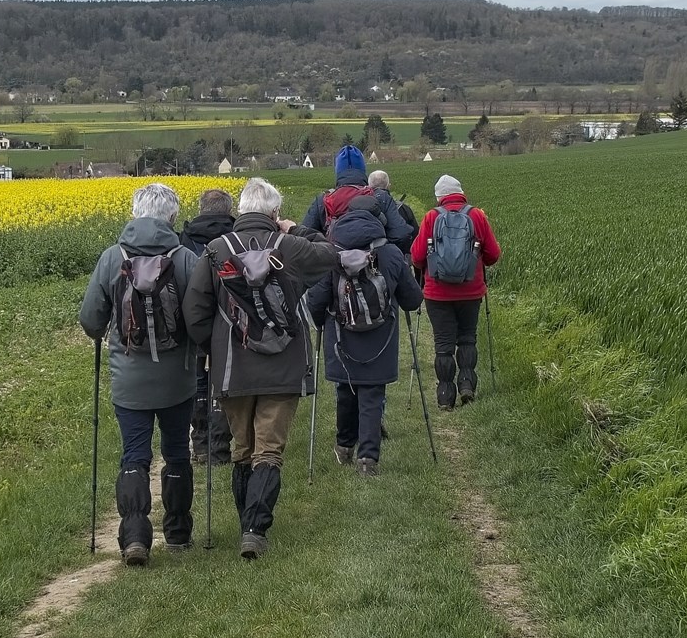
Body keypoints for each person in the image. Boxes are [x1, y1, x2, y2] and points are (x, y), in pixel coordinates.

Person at [182, 177, 339, 559]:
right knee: (269, 449)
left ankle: (246, 523)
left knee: (242, 448)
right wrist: (294, 228)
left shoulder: (217, 250)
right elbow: (333, 253)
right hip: (284, 366)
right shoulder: (289, 246)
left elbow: (195, 309)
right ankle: (255, 528)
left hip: (234, 367)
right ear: (273, 212)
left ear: (243, 209)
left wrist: (214, 347)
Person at [78, 182, 204, 565]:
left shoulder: (111, 258)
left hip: (128, 381)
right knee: (177, 452)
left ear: (134, 213)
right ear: (171, 216)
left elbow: (90, 320)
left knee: (135, 455)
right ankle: (179, 533)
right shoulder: (184, 258)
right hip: (178, 381)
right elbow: (199, 321)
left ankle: (134, 538)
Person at [303, 200, 423, 474]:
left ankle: (344, 446)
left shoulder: (331, 252)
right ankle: (368, 459)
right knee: (371, 395)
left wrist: (322, 323)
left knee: (345, 390)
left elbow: (317, 299)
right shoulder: (391, 253)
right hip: (380, 338)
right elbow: (413, 299)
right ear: (378, 220)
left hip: (341, 337)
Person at [409, 172, 500, 409]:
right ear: (460, 193)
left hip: (437, 294)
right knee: (467, 338)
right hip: (471, 291)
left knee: (443, 344)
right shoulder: (476, 215)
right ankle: (467, 384)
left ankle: (445, 396)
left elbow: (417, 257)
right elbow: (493, 255)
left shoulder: (431, 217)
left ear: (439, 197)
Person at [177, 186, 237, 464]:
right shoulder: (237, 237)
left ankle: (200, 445)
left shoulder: (184, 239)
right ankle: (220, 448)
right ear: (229, 209)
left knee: (199, 383)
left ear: (201, 208)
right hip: (231, 323)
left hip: (195, 321)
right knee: (224, 384)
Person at [300, 144, 373, 239]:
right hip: (373, 252)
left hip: (333, 252)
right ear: (363, 170)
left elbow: (304, 237)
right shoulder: (377, 196)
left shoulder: (322, 201)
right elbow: (397, 235)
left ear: (338, 172)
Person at [362, 164, 418, 249]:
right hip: (399, 256)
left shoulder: (361, 208)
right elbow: (416, 236)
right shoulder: (404, 209)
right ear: (388, 186)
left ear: (368, 186)